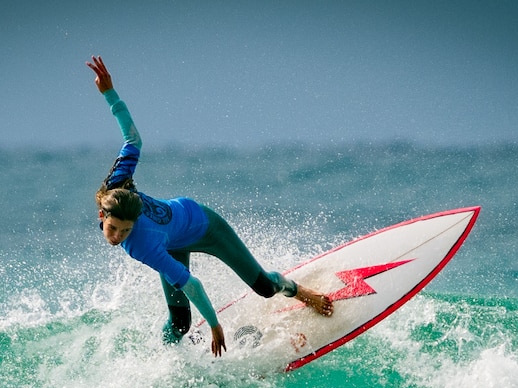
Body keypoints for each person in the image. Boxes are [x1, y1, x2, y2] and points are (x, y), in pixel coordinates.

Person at [86, 56, 333, 357]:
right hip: (171, 243)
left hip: (205, 227)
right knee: (179, 325)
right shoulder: (115, 188)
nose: (117, 237)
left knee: (265, 288)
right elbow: (132, 141)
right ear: (103, 213)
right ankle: (160, 362)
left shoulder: (141, 244)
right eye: (114, 229)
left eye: (124, 231)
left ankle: (299, 291)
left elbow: (193, 286)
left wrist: (215, 325)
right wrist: (108, 94)